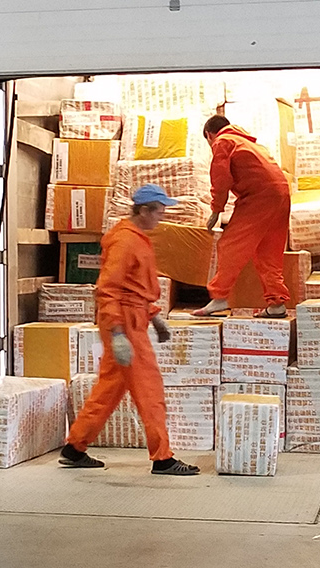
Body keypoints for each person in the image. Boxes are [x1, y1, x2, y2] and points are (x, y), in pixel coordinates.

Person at [59, 184, 201, 476]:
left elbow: (133, 286)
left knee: (109, 390)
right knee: (149, 389)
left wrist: (154, 316)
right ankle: (162, 458)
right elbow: (108, 289)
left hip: (131, 318)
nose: (162, 216)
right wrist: (117, 332)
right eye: (159, 211)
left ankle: (74, 448)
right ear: (144, 210)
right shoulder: (126, 241)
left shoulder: (135, 237)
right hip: (125, 323)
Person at [194, 115, 293, 319]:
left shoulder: (223, 141)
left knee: (230, 245)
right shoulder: (249, 143)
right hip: (281, 194)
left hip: (259, 196)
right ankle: (276, 303)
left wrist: (216, 209)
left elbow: (221, 178)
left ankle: (219, 297)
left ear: (209, 135)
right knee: (267, 252)